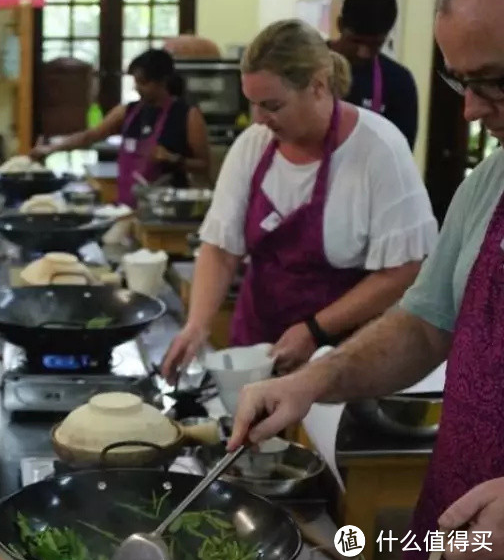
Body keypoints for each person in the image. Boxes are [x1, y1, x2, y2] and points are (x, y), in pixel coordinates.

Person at [229, 0, 504, 560]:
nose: (467, 111)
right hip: (450, 528)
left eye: (492, 82)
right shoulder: (487, 184)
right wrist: (314, 379)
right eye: (458, 79)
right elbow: (423, 324)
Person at [161, 19, 436, 379]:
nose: (259, 119)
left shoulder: (378, 150)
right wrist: (197, 324)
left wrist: (314, 330)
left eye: (272, 105)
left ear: (318, 86)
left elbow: (404, 270)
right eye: (253, 104)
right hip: (257, 345)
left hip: (340, 356)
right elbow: (220, 247)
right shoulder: (253, 146)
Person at [31, 49, 211, 206]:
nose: (136, 87)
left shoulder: (188, 115)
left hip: (165, 210)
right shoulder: (127, 112)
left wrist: (173, 159)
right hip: (127, 206)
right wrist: (50, 149)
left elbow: (204, 166)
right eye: (135, 81)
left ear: (162, 81)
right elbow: (90, 136)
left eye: (142, 83)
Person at [330, 0, 420, 148]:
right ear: (340, 25)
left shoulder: (398, 82)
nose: (362, 53)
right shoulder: (305, 65)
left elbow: (400, 154)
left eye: (375, 45)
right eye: (356, 41)